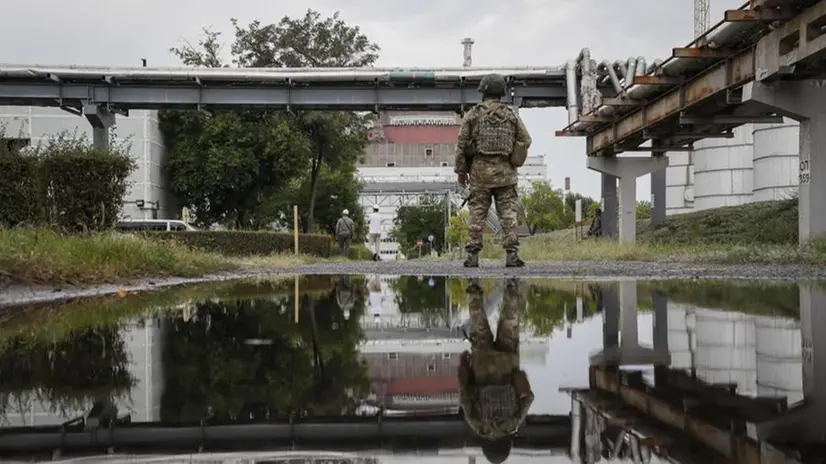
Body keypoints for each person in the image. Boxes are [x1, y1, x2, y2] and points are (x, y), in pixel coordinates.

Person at [455, 73, 532, 268]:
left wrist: (461, 171)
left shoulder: (473, 114)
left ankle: (473, 257)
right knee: (508, 214)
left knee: (477, 214)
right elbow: (526, 140)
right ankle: (512, 255)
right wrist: (515, 159)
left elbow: (461, 144)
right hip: (506, 173)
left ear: (484, 92)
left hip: (480, 173)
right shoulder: (511, 114)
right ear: (501, 93)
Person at [458, 277, 534, 464]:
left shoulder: (514, 423)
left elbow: (528, 396)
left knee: (510, 320)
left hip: (508, 363)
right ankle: (474, 282)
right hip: (482, 363)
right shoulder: (478, 426)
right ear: (485, 446)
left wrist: (518, 377)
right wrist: (465, 367)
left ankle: (511, 282)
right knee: (478, 323)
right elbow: (464, 395)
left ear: (507, 444)